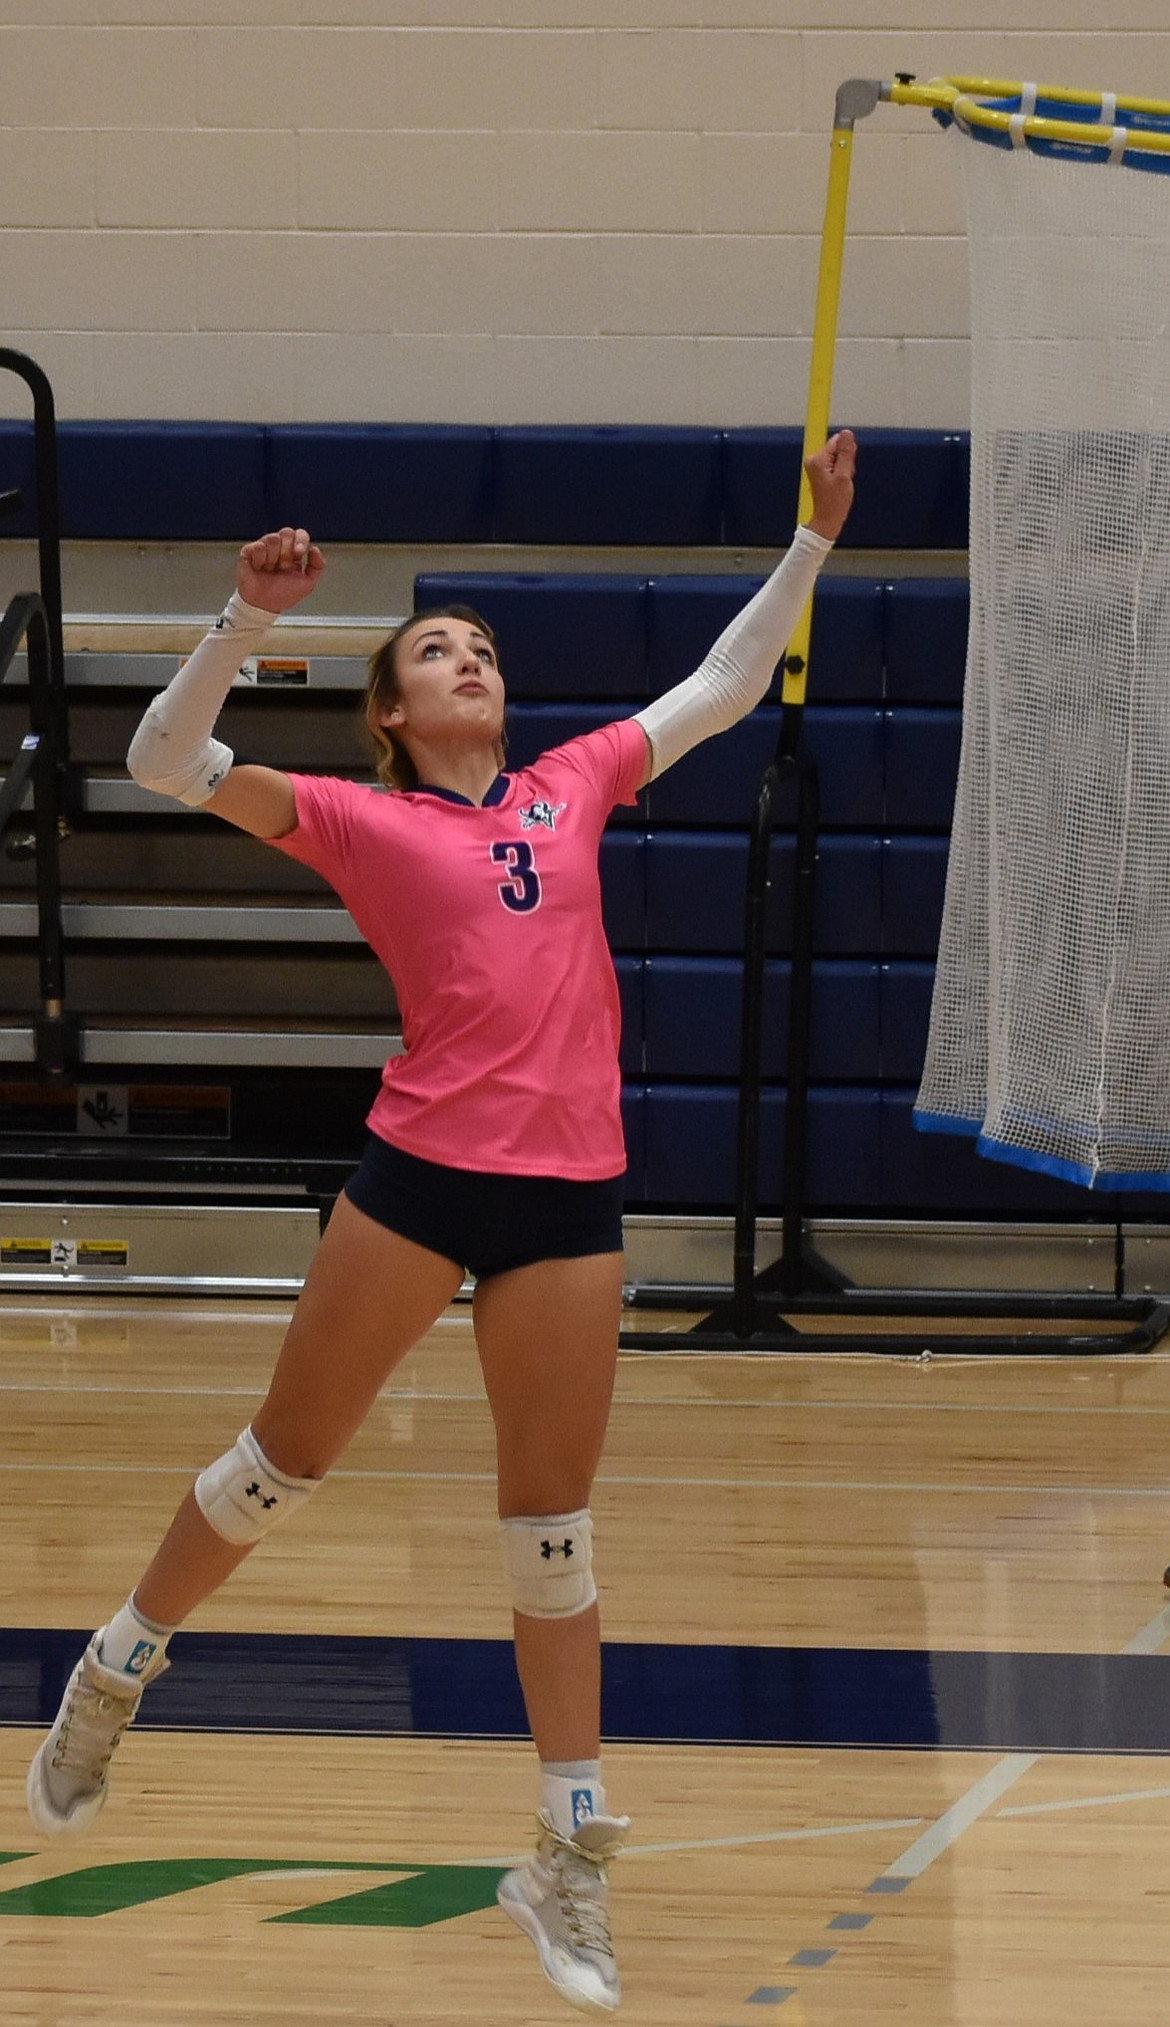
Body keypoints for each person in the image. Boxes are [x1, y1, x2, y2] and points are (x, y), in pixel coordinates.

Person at [25, 430, 857, 2015]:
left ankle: (560, 1851)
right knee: (279, 1467)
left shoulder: (572, 783)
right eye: (434, 652)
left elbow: (723, 686)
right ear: (393, 715)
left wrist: (813, 542)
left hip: (568, 1191)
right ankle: (118, 1668)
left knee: (551, 1534)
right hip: (418, 1177)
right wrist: (245, 618)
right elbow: (159, 759)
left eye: (479, 647)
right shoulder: (356, 817)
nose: (467, 659)